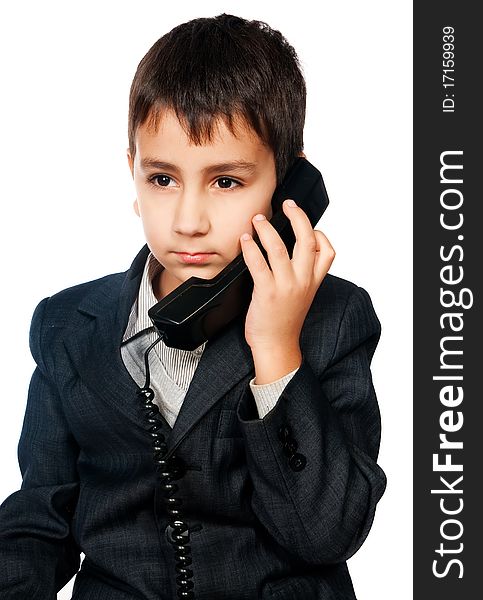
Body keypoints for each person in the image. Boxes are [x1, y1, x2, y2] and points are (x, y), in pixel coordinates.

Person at [0, 13, 386, 600]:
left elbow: (327, 534)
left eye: (226, 181)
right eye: (162, 179)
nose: (188, 220)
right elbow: (38, 521)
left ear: (288, 188)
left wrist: (277, 350)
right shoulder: (66, 327)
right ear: (132, 170)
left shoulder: (336, 319)